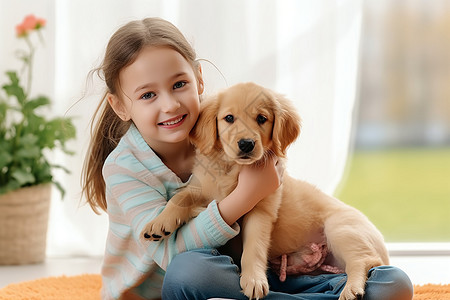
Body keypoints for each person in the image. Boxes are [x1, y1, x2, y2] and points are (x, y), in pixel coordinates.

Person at [82, 17, 413, 300]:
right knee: (189, 270)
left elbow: (270, 165)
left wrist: (270, 165)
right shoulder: (125, 168)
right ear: (120, 105)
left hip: (273, 268)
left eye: (179, 84)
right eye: (148, 95)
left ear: (199, 79)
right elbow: (172, 254)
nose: (170, 105)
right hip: (173, 282)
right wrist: (247, 194)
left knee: (394, 284)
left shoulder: (212, 126)